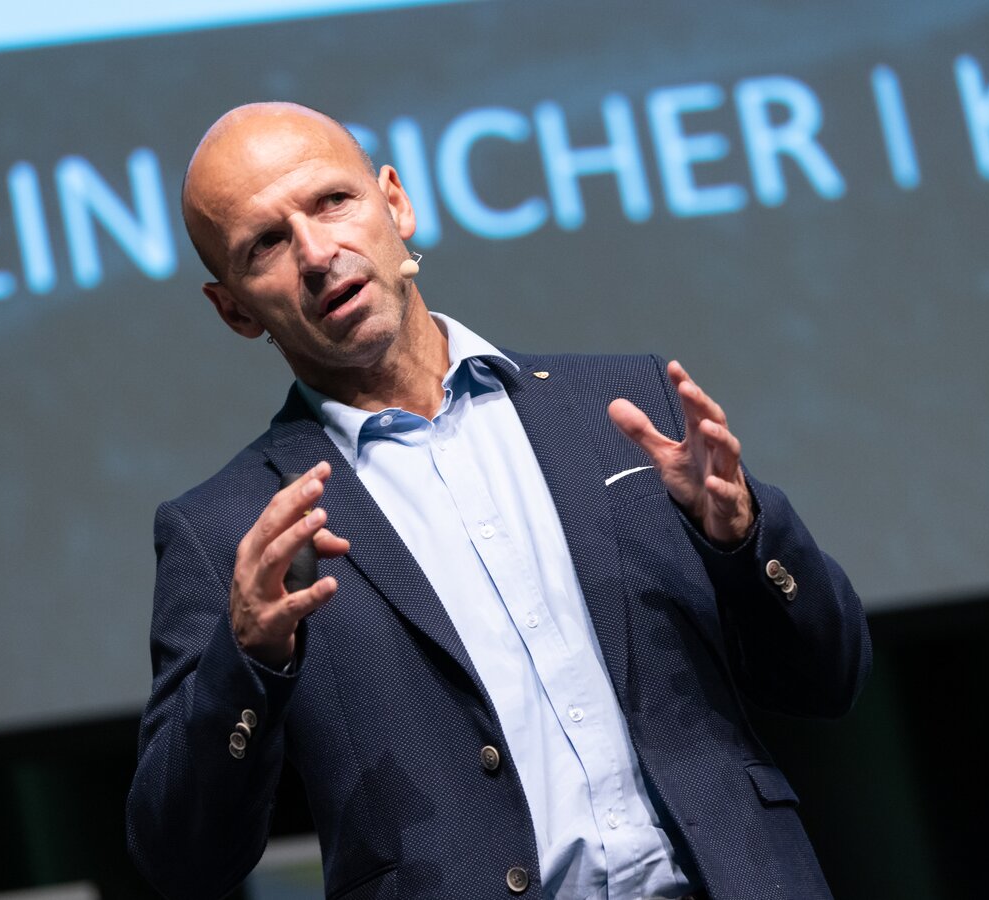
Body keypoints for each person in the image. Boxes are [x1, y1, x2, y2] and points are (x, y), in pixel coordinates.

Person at [126, 102, 871, 900]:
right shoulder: (229, 531)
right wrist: (245, 659)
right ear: (234, 308)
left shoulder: (621, 407)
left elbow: (827, 679)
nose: (315, 253)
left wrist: (742, 539)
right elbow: (182, 861)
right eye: (266, 245)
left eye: (332, 202)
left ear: (394, 202)